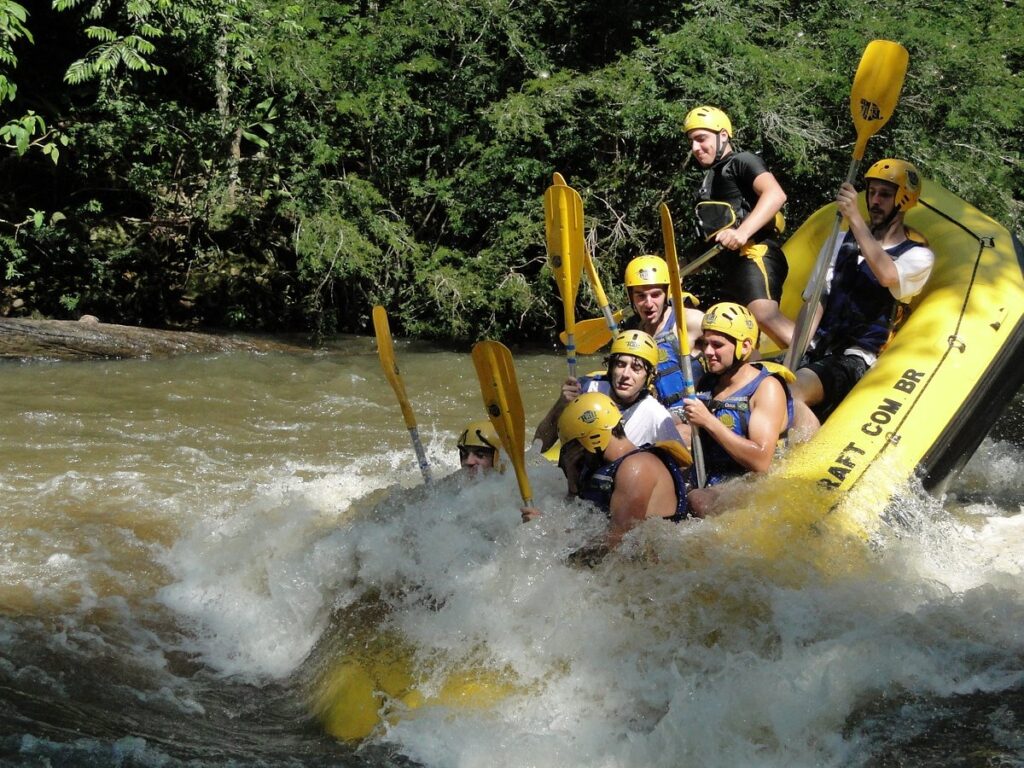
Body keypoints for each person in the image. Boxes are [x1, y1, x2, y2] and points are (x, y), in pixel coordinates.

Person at [789, 159, 934, 437]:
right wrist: (791, 361)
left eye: (885, 194)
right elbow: (815, 303)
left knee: (790, 392)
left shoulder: (917, 256)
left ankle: (804, 465)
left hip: (856, 359)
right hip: (820, 348)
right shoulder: (838, 239)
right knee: (763, 383)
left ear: (903, 201)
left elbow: (887, 276)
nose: (875, 201)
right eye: (872, 192)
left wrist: (854, 217)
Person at [523, 391, 692, 553]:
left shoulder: (636, 469)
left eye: (573, 447)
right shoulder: (605, 467)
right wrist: (573, 485)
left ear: (594, 439)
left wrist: (549, 534)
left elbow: (616, 547)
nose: (572, 456)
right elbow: (582, 521)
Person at [683, 105, 793, 348]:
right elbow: (711, 237)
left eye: (701, 139)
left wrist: (742, 233)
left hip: (755, 254)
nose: (695, 148)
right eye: (691, 141)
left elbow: (775, 194)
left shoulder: (742, 161)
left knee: (764, 315)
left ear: (723, 136)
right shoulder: (708, 181)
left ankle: (820, 360)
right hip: (731, 268)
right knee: (725, 337)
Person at [679, 302, 792, 516]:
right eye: (705, 343)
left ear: (745, 346)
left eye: (717, 345)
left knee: (699, 501)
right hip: (714, 475)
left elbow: (761, 461)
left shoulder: (766, 388)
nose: (707, 352)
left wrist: (709, 421)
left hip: (750, 481)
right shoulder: (708, 383)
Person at [532, 330, 683, 453]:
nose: (625, 374)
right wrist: (561, 405)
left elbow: (683, 464)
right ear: (610, 368)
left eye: (636, 368)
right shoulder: (586, 390)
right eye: (620, 364)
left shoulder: (656, 415)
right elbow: (538, 447)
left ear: (649, 376)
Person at [620, 254, 705, 412]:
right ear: (631, 297)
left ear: (667, 293)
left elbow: (736, 349)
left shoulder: (689, 321)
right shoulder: (633, 333)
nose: (649, 303)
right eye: (641, 296)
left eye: (655, 295)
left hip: (690, 415)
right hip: (655, 415)